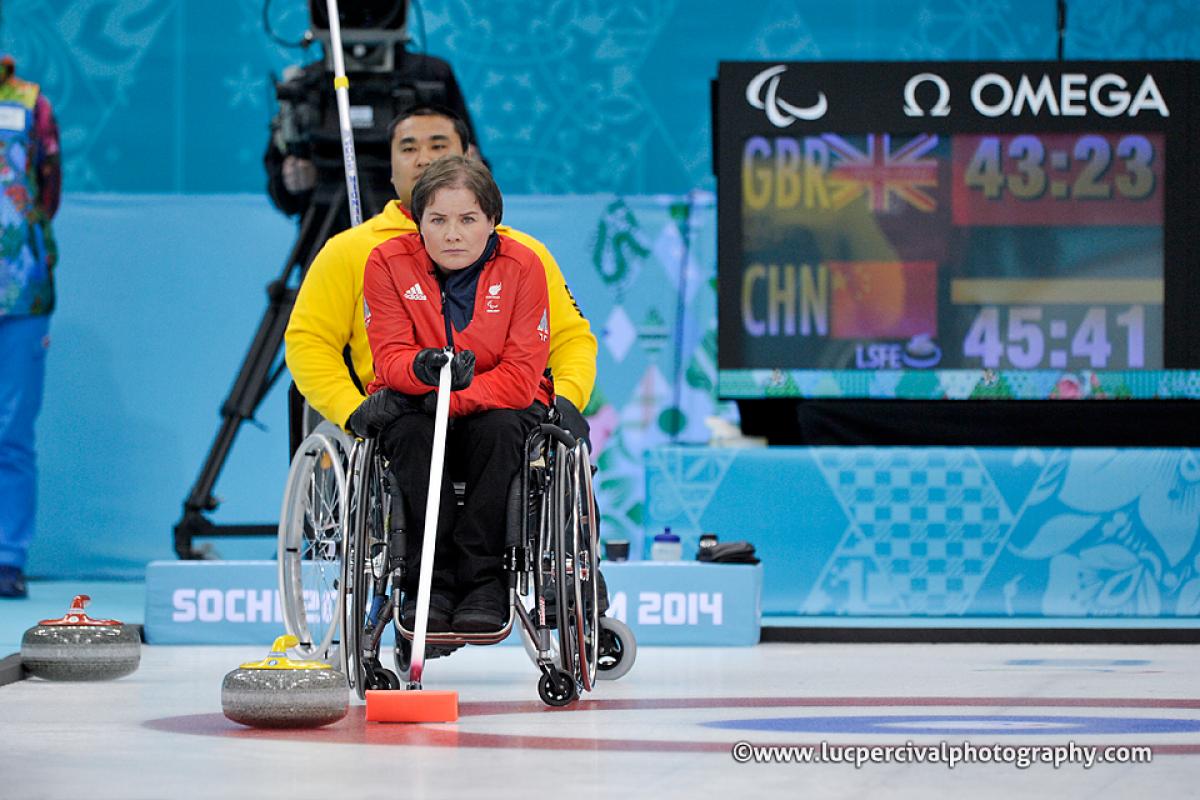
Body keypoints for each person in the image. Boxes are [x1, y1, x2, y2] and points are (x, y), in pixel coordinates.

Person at [285, 105, 596, 437]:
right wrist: (352, 410)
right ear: (390, 169)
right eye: (408, 148)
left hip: (501, 417)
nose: (423, 159)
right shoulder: (348, 251)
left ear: (469, 158)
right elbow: (310, 343)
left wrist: (564, 400)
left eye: (438, 145)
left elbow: (569, 339)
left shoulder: (523, 255)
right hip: (402, 420)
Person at [359, 155, 549, 632]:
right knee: (408, 431)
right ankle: (430, 580)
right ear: (418, 223)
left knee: (504, 428)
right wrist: (422, 368)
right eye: (437, 220)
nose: (453, 234)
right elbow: (390, 359)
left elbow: (521, 377)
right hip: (419, 407)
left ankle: (484, 580)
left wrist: (449, 398)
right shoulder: (386, 262)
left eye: (468, 219)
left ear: (492, 222)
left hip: (496, 411)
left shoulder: (524, 265)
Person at [0, 54, 61, 599]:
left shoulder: (30, 102)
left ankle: (7, 558)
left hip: (22, 291)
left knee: (11, 433)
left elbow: (48, 194)